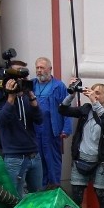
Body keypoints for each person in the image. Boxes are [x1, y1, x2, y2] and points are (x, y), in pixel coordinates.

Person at [59, 81, 104, 208]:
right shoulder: (86, 109)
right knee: (76, 197)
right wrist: (71, 95)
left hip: (101, 162)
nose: (94, 95)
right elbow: (63, 110)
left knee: (101, 196)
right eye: (93, 92)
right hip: (81, 160)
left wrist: (95, 102)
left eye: (98, 93)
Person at [0, 61, 43, 198]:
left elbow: (40, 119)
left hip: (34, 155)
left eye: (23, 77)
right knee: (14, 198)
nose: (20, 81)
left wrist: (32, 97)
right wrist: (11, 97)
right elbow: (1, 119)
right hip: (14, 157)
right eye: (16, 76)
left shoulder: (27, 95)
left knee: (38, 198)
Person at [32, 57, 72, 188]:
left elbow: (66, 108)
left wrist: (66, 128)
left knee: (53, 161)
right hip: (35, 130)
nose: (39, 70)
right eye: (37, 67)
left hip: (52, 131)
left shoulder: (58, 86)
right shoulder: (31, 84)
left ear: (50, 69)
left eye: (42, 67)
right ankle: (41, 190)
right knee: (38, 162)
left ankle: (54, 189)